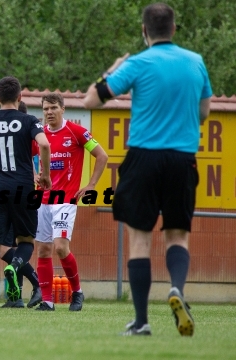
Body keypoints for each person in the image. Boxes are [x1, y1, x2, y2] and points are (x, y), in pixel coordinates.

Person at [83, 3, 212, 336]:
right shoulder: (195, 62)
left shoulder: (138, 63)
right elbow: (203, 113)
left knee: (140, 241)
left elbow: (91, 102)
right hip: (182, 158)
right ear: (173, 29)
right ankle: (177, 290)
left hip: (144, 158)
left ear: (144, 31)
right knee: (177, 236)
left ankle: (141, 322)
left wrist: (111, 71)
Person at [0, 76, 51, 314]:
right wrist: (45, 175)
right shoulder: (29, 120)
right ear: (20, 97)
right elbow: (45, 145)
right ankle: (15, 266)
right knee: (26, 241)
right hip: (23, 188)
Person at [33, 93, 108, 312]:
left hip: (66, 200)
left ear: (63, 109)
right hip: (42, 200)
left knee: (61, 247)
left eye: (53, 108)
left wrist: (91, 184)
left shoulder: (76, 132)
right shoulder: (39, 135)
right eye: (46, 108)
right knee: (43, 250)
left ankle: (77, 292)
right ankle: (47, 301)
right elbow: (27, 157)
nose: (49, 112)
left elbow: (102, 156)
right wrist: (33, 176)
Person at [0, 100, 42, 309]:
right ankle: (16, 297)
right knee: (16, 246)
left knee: (5, 246)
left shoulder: (26, 134)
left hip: (11, 192)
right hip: (21, 192)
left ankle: (36, 284)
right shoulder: (29, 133)